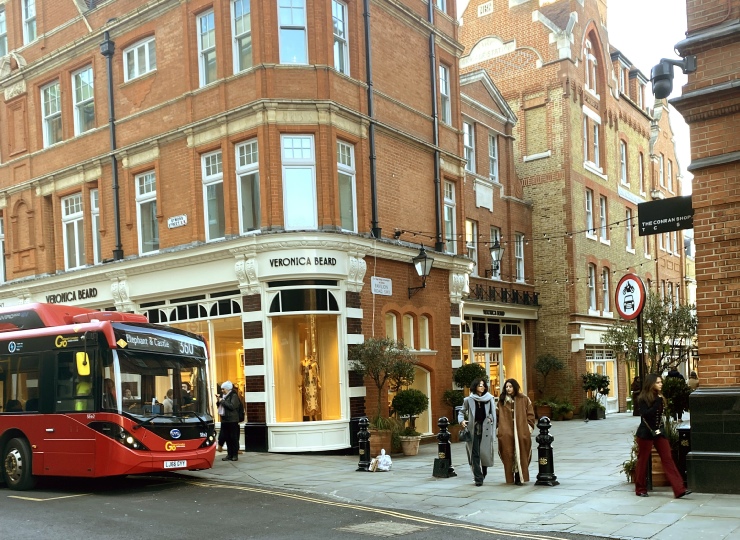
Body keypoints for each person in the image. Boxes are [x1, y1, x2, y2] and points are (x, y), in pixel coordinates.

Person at [634, 373, 690, 499]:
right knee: (642, 460)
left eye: (661, 382)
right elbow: (646, 414)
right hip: (646, 433)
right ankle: (640, 489)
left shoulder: (659, 396)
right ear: (651, 383)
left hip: (659, 432)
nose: (661, 384)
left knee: (668, 458)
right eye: (658, 382)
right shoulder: (643, 398)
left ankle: (679, 489)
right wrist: (656, 403)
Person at [497, 378, 535, 486]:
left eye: (510, 386)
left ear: (515, 387)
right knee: (508, 454)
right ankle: (510, 477)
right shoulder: (501, 401)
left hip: (521, 432)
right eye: (506, 387)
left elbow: (531, 415)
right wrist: (499, 430)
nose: (508, 389)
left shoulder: (524, 399)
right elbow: (497, 416)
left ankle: (519, 476)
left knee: (521, 453)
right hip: (506, 433)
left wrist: (528, 428)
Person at [458, 378, 496, 487]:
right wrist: (462, 421)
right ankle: (478, 478)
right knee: (475, 453)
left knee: (484, 453)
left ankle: (483, 472)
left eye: (483, 385)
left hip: (486, 429)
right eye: (480, 385)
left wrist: (491, 420)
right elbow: (461, 412)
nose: (482, 387)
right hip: (473, 429)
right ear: (475, 387)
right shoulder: (468, 399)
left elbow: (493, 414)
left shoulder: (489, 398)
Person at [217, 381, 241, 461]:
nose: (222, 390)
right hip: (225, 420)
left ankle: (235, 455)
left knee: (233, 438)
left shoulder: (233, 396)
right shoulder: (224, 396)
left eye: (223, 389)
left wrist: (222, 401)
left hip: (232, 420)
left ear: (227, 389)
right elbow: (220, 405)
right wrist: (219, 400)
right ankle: (229, 454)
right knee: (227, 438)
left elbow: (232, 406)